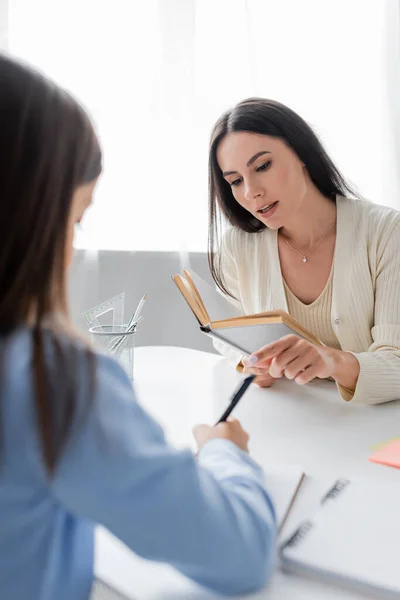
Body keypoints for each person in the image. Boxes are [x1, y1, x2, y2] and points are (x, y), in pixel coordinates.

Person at [0, 56, 277, 600]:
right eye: (73, 220)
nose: (250, 192)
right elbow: (238, 552)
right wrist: (225, 453)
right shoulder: (48, 380)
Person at [208, 97, 400, 405]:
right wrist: (251, 364)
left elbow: (397, 362)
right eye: (235, 180)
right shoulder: (238, 247)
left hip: (373, 428)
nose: (250, 191)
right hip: (289, 424)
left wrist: (331, 362)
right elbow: (233, 338)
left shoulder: (387, 232)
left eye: (263, 166)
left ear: (301, 153)